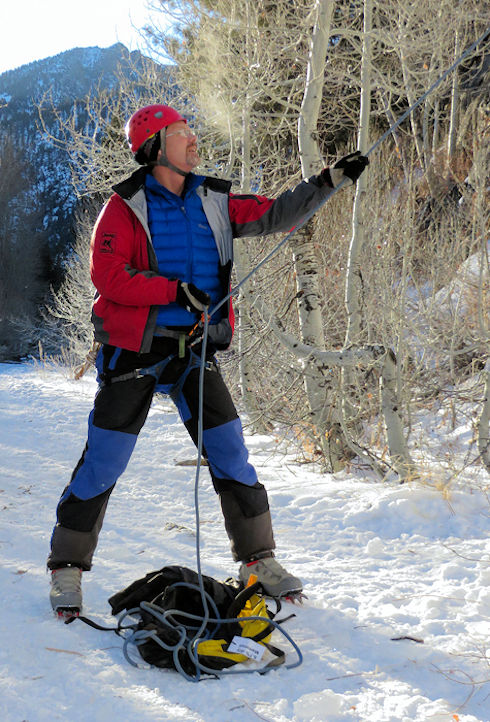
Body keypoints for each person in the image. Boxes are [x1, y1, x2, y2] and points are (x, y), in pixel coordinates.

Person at [47, 104, 368, 615]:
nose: (193, 141)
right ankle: (67, 567)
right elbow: (107, 277)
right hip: (135, 350)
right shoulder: (124, 207)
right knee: (104, 462)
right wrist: (174, 289)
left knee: (230, 452)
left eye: (193, 132)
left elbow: (277, 214)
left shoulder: (215, 199)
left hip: (195, 350)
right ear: (154, 147)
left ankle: (257, 561)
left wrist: (327, 181)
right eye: (181, 134)